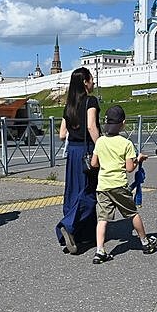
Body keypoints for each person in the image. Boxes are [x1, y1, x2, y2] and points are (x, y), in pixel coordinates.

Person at [90, 105, 157, 264]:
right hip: (119, 185)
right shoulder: (126, 144)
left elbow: (93, 163)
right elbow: (129, 169)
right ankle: (145, 242)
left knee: (102, 218)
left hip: (103, 186)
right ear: (123, 123)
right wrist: (138, 160)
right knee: (132, 213)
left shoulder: (100, 141)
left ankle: (100, 251)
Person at [55, 67, 100, 254]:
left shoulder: (69, 105)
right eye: (91, 79)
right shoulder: (91, 101)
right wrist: (102, 147)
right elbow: (91, 126)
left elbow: (62, 134)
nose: (93, 82)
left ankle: (84, 235)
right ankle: (69, 225)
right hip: (87, 151)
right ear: (85, 82)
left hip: (73, 153)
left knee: (73, 191)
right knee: (89, 191)